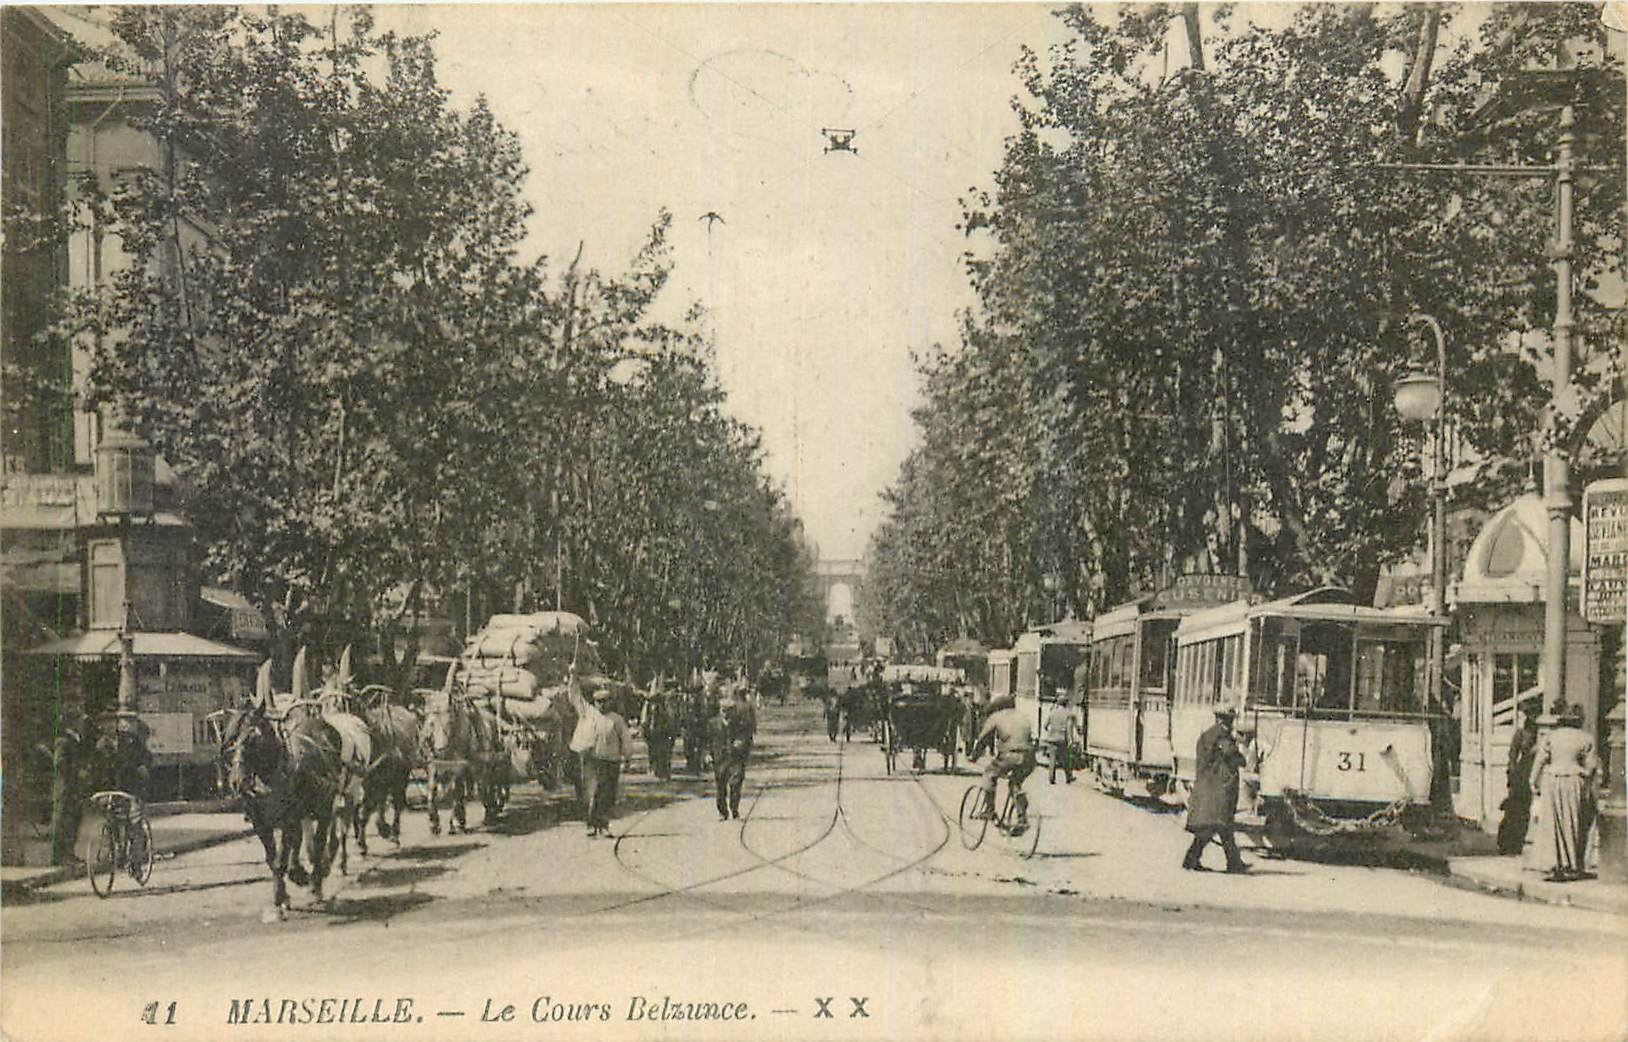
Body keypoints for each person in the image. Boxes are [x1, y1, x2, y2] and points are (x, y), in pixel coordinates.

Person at [1527, 702, 1600, 882]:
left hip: (1551, 780)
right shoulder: (1586, 738)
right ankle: (1573, 864)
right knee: (1574, 820)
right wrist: (1584, 774)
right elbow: (1591, 767)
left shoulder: (1551, 737)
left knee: (1553, 822)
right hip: (1575, 780)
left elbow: (1540, 760)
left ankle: (1554, 864)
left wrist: (1533, 781)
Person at [1182, 705, 1248, 873]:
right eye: (1230, 719)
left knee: (1215, 829)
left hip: (1208, 788)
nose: (1232, 723)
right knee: (1219, 826)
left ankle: (1231, 863)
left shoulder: (1207, 734)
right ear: (1224, 719)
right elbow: (1232, 756)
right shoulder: (1221, 736)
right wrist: (1242, 753)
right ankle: (1232, 864)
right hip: (1216, 790)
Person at [968, 697, 1035, 828]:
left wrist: (974, 756)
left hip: (1010, 755)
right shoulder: (1022, 717)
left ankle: (989, 810)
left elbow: (983, 739)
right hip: (1029, 757)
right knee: (1015, 783)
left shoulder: (996, 717)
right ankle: (1022, 818)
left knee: (989, 774)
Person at [582, 686, 631, 837]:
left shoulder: (616, 720)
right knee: (595, 792)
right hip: (595, 761)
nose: (602, 704)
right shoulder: (591, 718)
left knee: (609, 794)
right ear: (595, 703)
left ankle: (603, 825)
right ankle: (592, 824)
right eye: (598, 702)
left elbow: (626, 740)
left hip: (612, 761)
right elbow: (584, 738)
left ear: (610, 702)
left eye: (605, 701)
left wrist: (627, 758)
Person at [1496, 704, 1540, 855]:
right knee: (1513, 810)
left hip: (1533, 774)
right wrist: (1511, 774)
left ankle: (1518, 842)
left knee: (1524, 812)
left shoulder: (1542, 735)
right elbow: (1512, 755)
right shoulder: (1520, 734)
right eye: (1531, 715)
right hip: (1521, 774)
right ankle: (1506, 843)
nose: (1533, 719)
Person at [708, 695, 754, 821]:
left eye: (729, 711)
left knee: (736, 784)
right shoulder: (712, 723)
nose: (726, 714)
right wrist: (707, 754)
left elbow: (748, 738)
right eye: (723, 711)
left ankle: (734, 809)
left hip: (736, 759)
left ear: (733, 711)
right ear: (720, 710)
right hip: (720, 760)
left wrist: (741, 742)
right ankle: (723, 812)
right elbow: (707, 741)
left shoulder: (740, 724)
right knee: (721, 787)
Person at [641, 685, 676, 781]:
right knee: (653, 751)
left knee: (664, 752)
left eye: (658, 700)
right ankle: (654, 769)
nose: (655, 703)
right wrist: (644, 731)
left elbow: (671, 721)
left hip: (664, 733)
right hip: (653, 733)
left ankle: (664, 771)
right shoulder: (648, 707)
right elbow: (644, 721)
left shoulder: (666, 708)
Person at [1043, 700, 1076, 785]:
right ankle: (1068, 777)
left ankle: (1051, 778)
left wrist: (1050, 732)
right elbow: (1069, 728)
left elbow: (1045, 726)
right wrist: (1070, 740)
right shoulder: (1068, 714)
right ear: (1065, 704)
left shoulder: (1052, 713)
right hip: (1062, 739)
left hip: (1052, 739)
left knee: (1052, 759)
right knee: (1065, 759)